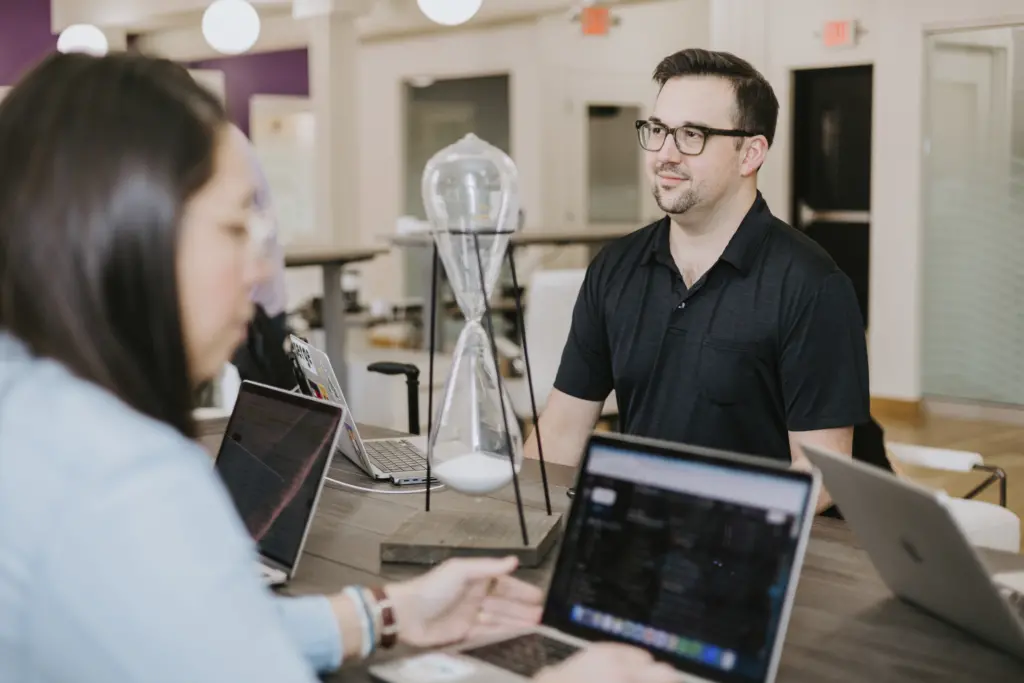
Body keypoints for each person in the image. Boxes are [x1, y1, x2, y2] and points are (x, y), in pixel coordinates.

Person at [0, 52, 676, 683]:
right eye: (237, 228)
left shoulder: (33, 409)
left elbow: (206, 635)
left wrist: (387, 613)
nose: (264, 268)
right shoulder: (123, 479)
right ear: (125, 232)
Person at [526, 48, 870, 514]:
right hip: (637, 537)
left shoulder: (812, 285)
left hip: (749, 548)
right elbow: (562, 431)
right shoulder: (614, 268)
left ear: (750, 152)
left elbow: (822, 473)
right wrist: (520, 530)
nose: (664, 154)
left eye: (692, 135)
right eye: (657, 130)